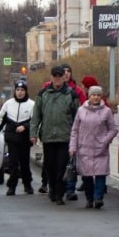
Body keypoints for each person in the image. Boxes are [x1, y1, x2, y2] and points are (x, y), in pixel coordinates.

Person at [30, 65, 80, 206]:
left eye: (60, 76)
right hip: (48, 136)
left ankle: (59, 193)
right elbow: (36, 116)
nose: (57, 79)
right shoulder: (43, 94)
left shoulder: (71, 94)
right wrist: (33, 134)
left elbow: (78, 116)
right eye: (55, 76)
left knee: (62, 166)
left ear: (64, 77)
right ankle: (52, 188)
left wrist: (78, 136)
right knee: (49, 166)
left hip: (65, 137)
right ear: (51, 77)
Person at [69, 85, 118, 208]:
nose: (96, 97)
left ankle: (98, 198)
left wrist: (104, 141)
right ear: (89, 96)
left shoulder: (106, 111)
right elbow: (74, 130)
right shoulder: (81, 110)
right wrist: (72, 147)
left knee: (100, 174)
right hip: (84, 148)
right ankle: (89, 199)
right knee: (87, 176)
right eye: (93, 95)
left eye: (98, 95)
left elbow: (113, 129)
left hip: (100, 148)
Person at [0, 80, 34, 195]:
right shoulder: (8, 104)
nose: (20, 92)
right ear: (15, 91)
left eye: (22, 90)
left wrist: (25, 127)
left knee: (25, 163)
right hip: (12, 139)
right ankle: (12, 186)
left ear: (26, 91)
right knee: (13, 164)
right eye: (18, 90)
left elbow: (35, 121)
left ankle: (27, 184)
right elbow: (0, 120)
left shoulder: (31, 104)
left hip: (25, 140)